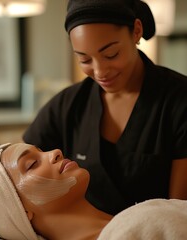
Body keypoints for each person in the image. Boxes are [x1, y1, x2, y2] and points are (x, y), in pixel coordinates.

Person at [23, 0, 187, 215]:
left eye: (111, 54)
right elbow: (18, 176)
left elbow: (179, 214)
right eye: (85, 59)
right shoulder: (67, 105)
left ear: (136, 32)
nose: (100, 72)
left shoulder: (179, 99)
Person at [0, 143, 187, 240]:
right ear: (20, 211)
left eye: (41, 150)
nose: (56, 151)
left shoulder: (133, 221)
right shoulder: (132, 230)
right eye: (32, 163)